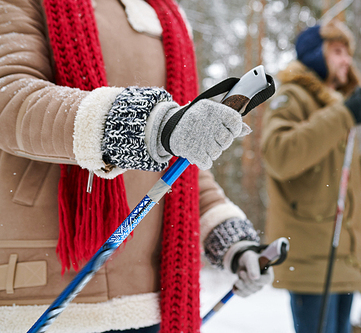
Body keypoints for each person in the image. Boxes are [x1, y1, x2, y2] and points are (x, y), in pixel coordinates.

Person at [0, 1, 273, 332]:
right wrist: (147, 124)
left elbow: (182, 158)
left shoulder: (166, 15)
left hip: (151, 304)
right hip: (45, 297)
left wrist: (230, 239)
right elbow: (11, 99)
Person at [260, 19, 361, 333]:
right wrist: (342, 115)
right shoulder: (293, 97)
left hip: (345, 260)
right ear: (316, 54)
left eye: (349, 53)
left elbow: (350, 180)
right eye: (339, 51)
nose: (347, 60)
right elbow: (279, 155)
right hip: (311, 262)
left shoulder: (334, 106)